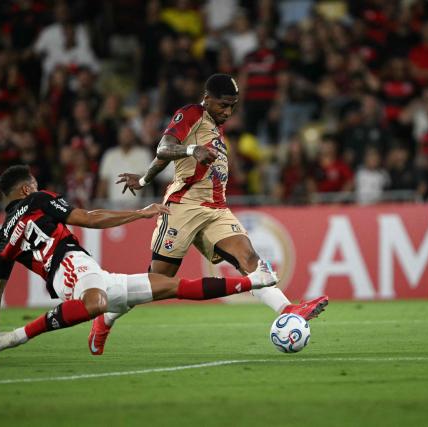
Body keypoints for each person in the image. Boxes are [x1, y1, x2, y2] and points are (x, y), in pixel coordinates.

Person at [113, 73, 328, 356]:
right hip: (184, 207)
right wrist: (191, 150)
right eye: (223, 105)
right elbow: (163, 148)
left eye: (232, 107)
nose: (228, 112)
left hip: (215, 208)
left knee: (249, 259)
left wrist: (143, 180)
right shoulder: (191, 113)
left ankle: (289, 309)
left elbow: (163, 157)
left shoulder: (215, 126)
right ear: (208, 97)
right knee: (157, 281)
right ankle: (107, 314)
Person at [0, 165, 278, 362]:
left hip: (85, 273)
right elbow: (89, 218)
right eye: (35, 184)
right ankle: (16, 337)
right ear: (27, 190)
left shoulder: (2, 238)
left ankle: (254, 281)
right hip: (71, 267)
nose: (38, 187)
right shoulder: (38, 200)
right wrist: (139, 213)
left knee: (171, 286)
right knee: (97, 302)